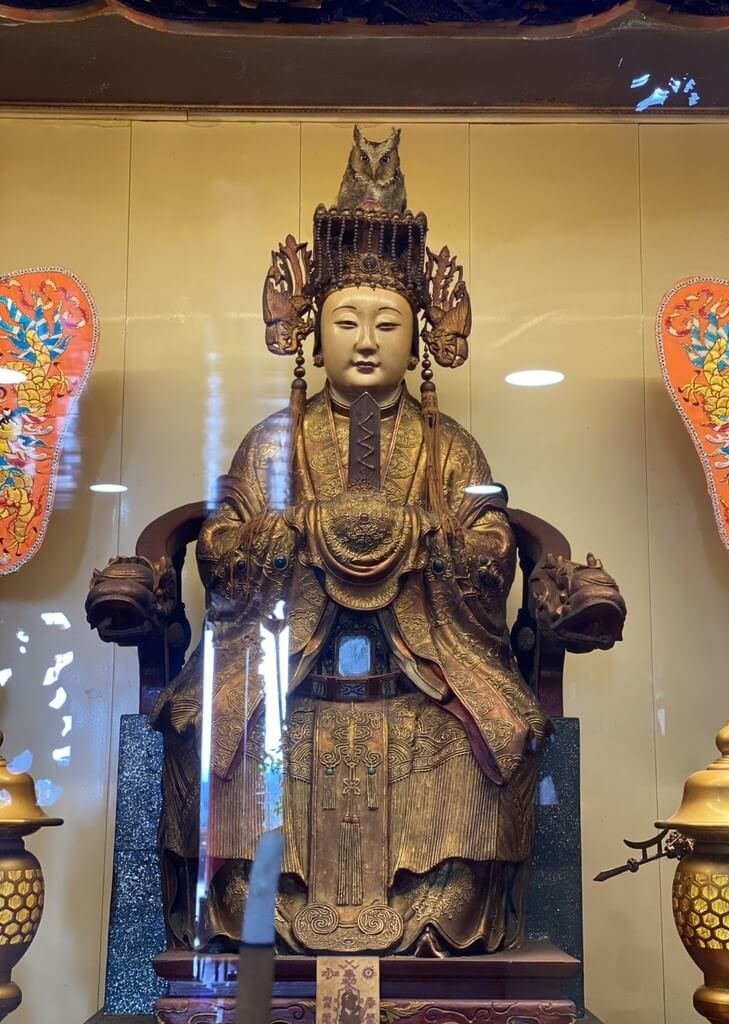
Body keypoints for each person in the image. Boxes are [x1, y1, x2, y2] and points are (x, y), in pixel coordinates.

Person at [150, 202, 552, 956]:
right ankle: (249, 893)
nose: (366, 342)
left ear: (420, 338)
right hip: (293, 669)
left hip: (421, 672)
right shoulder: (274, 444)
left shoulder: (448, 449)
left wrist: (432, 539)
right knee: (213, 734)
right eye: (346, 322)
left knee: (491, 740)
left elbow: (490, 542)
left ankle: (442, 898)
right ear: (312, 332)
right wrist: (290, 533)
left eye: (388, 324)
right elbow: (222, 540)